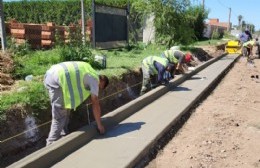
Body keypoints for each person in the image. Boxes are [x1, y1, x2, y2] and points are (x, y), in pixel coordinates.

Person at [44, 61, 109, 146]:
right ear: (102, 82)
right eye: (100, 88)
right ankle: (50, 146)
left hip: (54, 73)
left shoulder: (89, 70)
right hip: (56, 79)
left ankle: (64, 137)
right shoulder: (94, 80)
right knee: (59, 116)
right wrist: (99, 125)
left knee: (66, 108)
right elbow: (95, 103)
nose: (97, 90)